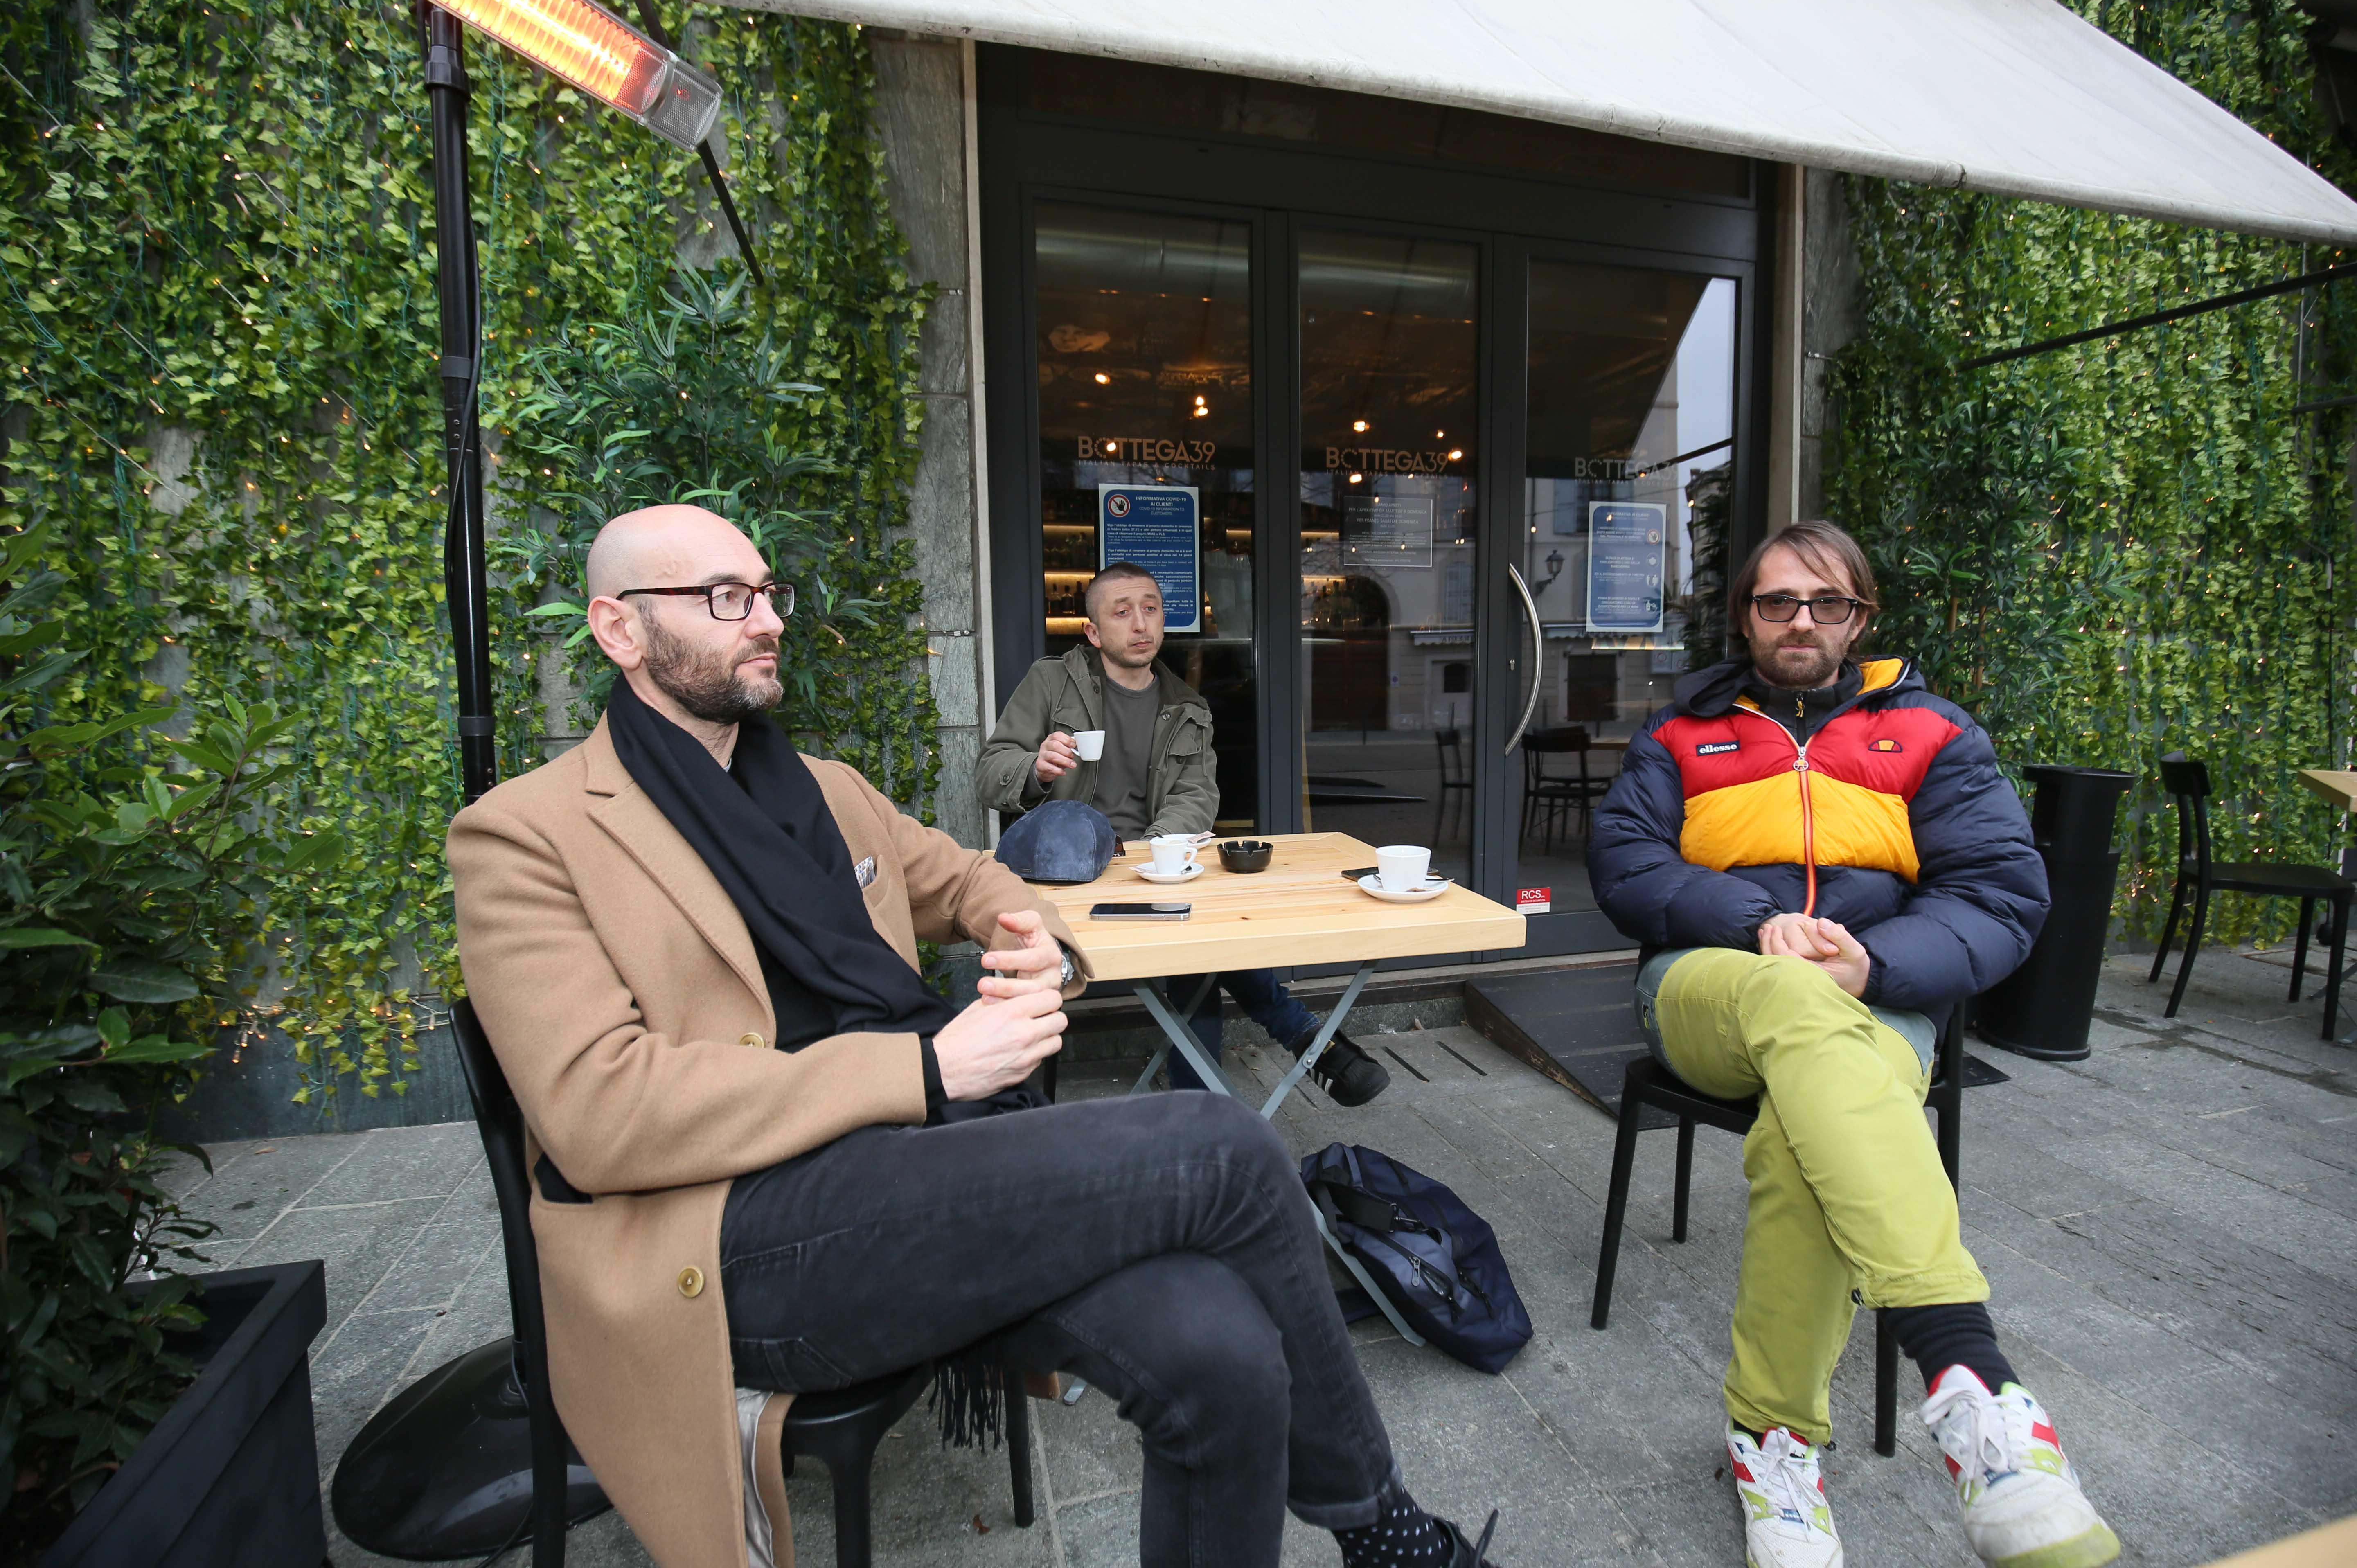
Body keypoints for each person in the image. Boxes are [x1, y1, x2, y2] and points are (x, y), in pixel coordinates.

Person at [449, 506, 1498, 1568]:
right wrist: (922, 1066)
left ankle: (1375, 1527)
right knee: (1225, 1148)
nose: (764, 620)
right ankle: (1388, 1533)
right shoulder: (526, 836)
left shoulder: (826, 793)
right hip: (732, 1243)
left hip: (905, 1178)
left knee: (1222, 1354)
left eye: (769, 594)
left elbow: (973, 881)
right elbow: (598, 1116)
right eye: (725, 598)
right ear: (619, 631)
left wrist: (1030, 936)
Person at [1585, 520, 2118, 1568]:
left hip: (1882, 999)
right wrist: (1753, 924)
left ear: (1861, 618)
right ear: (1744, 616)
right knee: (1792, 1010)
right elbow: (1625, 865)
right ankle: (1968, 1374)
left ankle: (1772, 1445)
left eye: (1826, 603)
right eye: (1777, 602)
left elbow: (2001, 896)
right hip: (1711, 986)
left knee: (1802, 1130)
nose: (1800, 622)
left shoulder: (1933, 732)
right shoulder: (1683, 734)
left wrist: (1873, 967)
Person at [978, 560, 1391, 1104]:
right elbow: (989, 774)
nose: (1141, 622)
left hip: (1147, 873)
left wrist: (1155, 856)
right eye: (1122, 612)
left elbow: (1197, 797)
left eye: (1151, 608)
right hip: (1067, 878)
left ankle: (1209, 1099)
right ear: (1094, 632)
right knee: (1201, 946)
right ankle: (1297, 1043)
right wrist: (1036, 768)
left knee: (1200, 945)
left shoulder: (1188, 706)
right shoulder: (1052, 682)